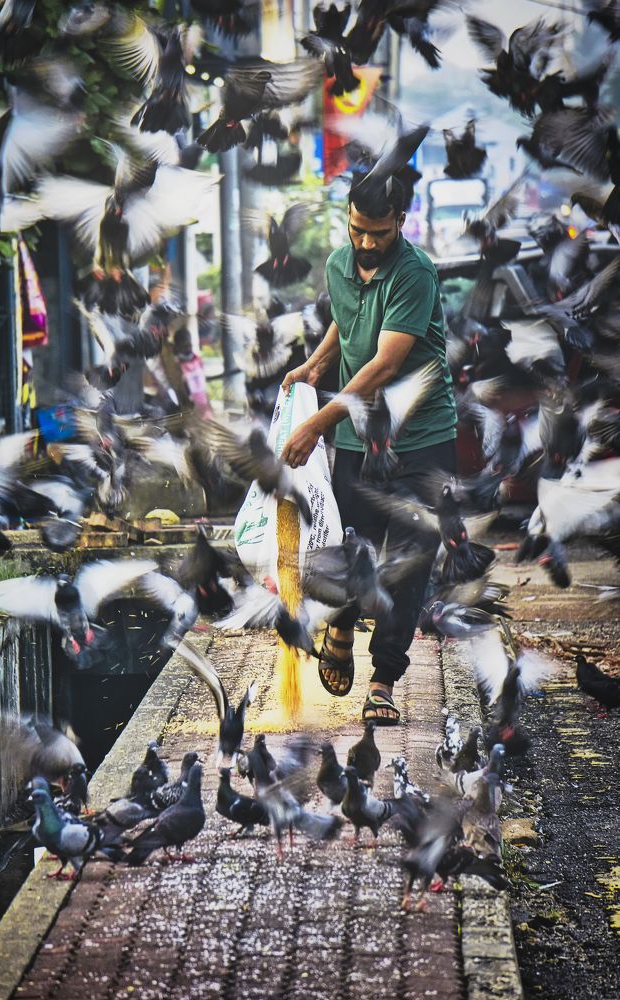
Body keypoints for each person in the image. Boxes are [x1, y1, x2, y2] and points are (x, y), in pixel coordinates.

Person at [280, 177, 458, 725]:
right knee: (346, 546)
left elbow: (384, 365)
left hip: (422, 441)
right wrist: (315, 363)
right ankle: (338, 622)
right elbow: (347, 317)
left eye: (377, 233)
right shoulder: (339, 263)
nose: (365, 242)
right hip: (360, 439)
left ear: (400, 221)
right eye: (357, 229)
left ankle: (383, 680)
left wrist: (316, 423)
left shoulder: (415, 273)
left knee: (408, 562)